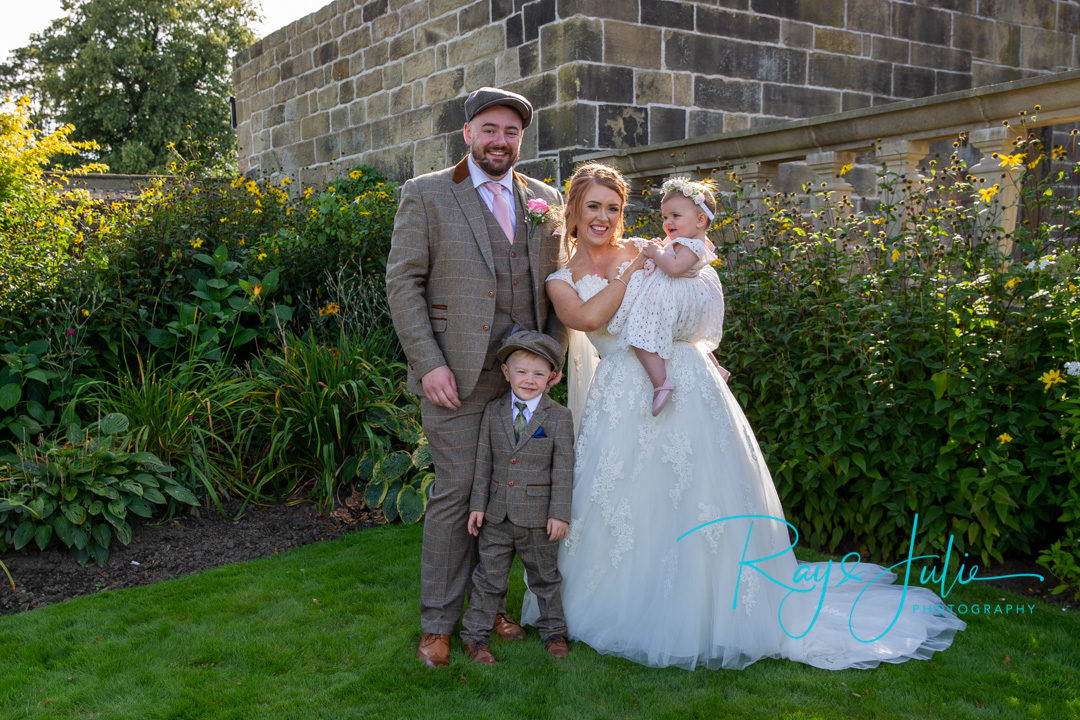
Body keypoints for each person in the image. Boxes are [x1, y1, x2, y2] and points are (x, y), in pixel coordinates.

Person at [523, 162, 966, 670]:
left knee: (699, 493)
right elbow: (588, 318)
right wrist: (632, 272)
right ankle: (620, 601)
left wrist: (693, 332)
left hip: (685, 382)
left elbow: (696, 283)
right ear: (573, 211)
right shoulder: (565, 278)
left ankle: (715, 607)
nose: (604, 217)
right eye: (593, 207)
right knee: (623, 499)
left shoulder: (651, 248)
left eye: (614, 208)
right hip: (622, 393)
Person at [385, 87, 564, 668]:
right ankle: (438, 623)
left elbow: (557, 286)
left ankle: (488, 611)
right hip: (455, 377)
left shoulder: (545, 198)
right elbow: (403, 283)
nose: (500, 141)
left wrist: (553, 361)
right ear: (467, 133)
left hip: (526, 380)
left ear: (521, 140)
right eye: (489, 130)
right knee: (457, 493)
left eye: (511, 133)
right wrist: (428, 362)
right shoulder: (428, 193)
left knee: (511, 499)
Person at [459, 331, 575, 664]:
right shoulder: (493, 411)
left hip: (539, 519)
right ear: (506, 372)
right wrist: (478, 505)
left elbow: (564, 469)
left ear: (551, 378)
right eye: (522, 372)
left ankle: (553, 633)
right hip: (496, 516)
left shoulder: (558, 417)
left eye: (539, 374)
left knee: (546, 579)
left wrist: (560, 513)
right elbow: (483, 461)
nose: (529, 380)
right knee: (487, 580)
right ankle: (475, 639)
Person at [607, 176, 725, 415]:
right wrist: (662, 248)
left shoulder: (694, 245)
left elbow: (674, 268)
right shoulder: (689, 240)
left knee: (640, 332)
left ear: (701, 220)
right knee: (684, 336)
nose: (668, 222)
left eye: (675, 216)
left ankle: (661, 382)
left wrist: (655, 252)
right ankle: (715, 365)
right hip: (676, 296)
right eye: (665, 217)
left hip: (672, 298)